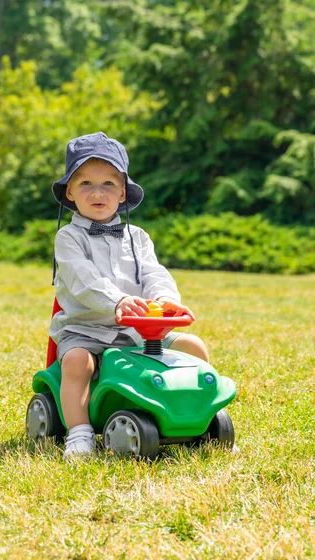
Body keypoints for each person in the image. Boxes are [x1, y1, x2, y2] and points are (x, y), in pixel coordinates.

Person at [50, 132, 209, 458]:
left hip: (137, 331)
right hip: (87, 330)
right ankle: (79, 433)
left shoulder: (138, 237)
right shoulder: (68, 238)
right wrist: (117, 301)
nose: (98, 192)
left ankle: (194, 412)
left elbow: (153, 272)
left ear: (122, 193)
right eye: (86, 184)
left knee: (194, 346)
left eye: (108, 184)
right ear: (70, 191)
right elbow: (84, 280)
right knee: (78, 362)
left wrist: (165, 299)